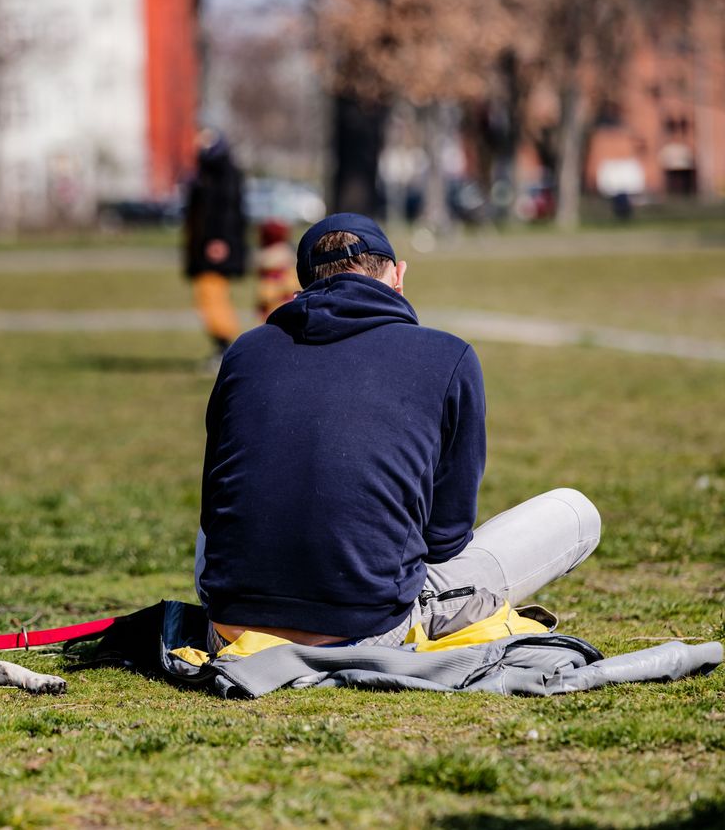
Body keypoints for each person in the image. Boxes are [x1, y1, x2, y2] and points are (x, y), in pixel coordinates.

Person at [195, 213, 600, 650]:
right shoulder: (448, 355)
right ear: (398, 275)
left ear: (302, 288)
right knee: (575, 513)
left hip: (230, 625)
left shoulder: (245, 352)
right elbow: (446, 537)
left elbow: (214, 507)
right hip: (366, 627)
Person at [183, 128, 247, 371]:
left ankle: (227, 347)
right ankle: (222, 345)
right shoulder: (205, 172)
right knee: (207, 295)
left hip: (216, 247)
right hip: (203, 247)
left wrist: (220, 240)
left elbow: (226, 212)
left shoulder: (223, 174)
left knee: (212, 295)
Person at [254, 219, 299, 321]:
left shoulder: (271, 261)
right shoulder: (286, 257)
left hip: (278, 303)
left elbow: (266, 291)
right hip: (281, 303)